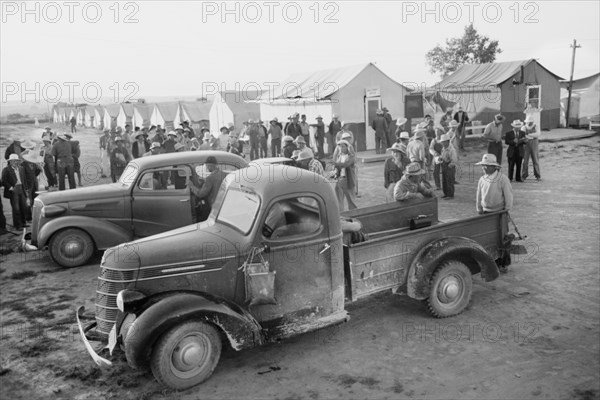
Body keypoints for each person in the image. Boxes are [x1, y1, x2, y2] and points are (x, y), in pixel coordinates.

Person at [188, 156, 227, 222]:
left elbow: (201, 194)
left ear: (209, 166)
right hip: (224, 205)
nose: (206, 167)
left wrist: (192, 186)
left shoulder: (210, 178)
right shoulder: (225, 174)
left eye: (207, 166)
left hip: (215, 207)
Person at [2, 154, 29, 229]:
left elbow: (24, 180)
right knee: (16, 208)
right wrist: (10, 187)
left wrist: (26, 189)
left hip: (21, 188)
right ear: (10, 162)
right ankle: (18, 225)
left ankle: (23, 222)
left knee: (24, 207)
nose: (15, 162)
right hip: (13, 189)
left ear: (18, 161)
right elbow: (3, 181)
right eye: (13, 161)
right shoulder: (6, 169)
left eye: (16, 161)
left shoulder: (21, 168)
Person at [332, 139, 357, 211]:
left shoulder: (351, 156)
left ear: (347, 147)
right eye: (340, 147)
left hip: (348, 180)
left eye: (343, 146)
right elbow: (337, 167)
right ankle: (341, 215)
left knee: (351, 200)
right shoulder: (339, 156)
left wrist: (335, 164)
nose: (341, 148)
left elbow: (346, 164)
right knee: (339, 200)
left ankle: (354, 215)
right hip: (340, 179)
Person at [521, 115, 542, 182]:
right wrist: (533, 135)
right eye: (528, 122)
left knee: (535, 159)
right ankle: (524, 175)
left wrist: (529, 135)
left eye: (530, 122)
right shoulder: (524, 127)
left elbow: (538, 134)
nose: (529, 123)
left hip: (534, 143)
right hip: (526, 144)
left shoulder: (536, 126)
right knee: (525, 160)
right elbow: (522, 135)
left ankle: (537, 175)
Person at [439, 133, 458, 200]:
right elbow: (443, 156)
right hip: (444, 164)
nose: (442, 143)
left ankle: (450, 195)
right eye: (442, 142)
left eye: (443, 142)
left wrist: (449, 166)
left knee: (449, 181)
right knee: (444, 181)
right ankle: (446, 194)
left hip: (449, 166)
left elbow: (454, 160)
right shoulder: (444, 148)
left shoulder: (452, 150)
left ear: (447, 141)